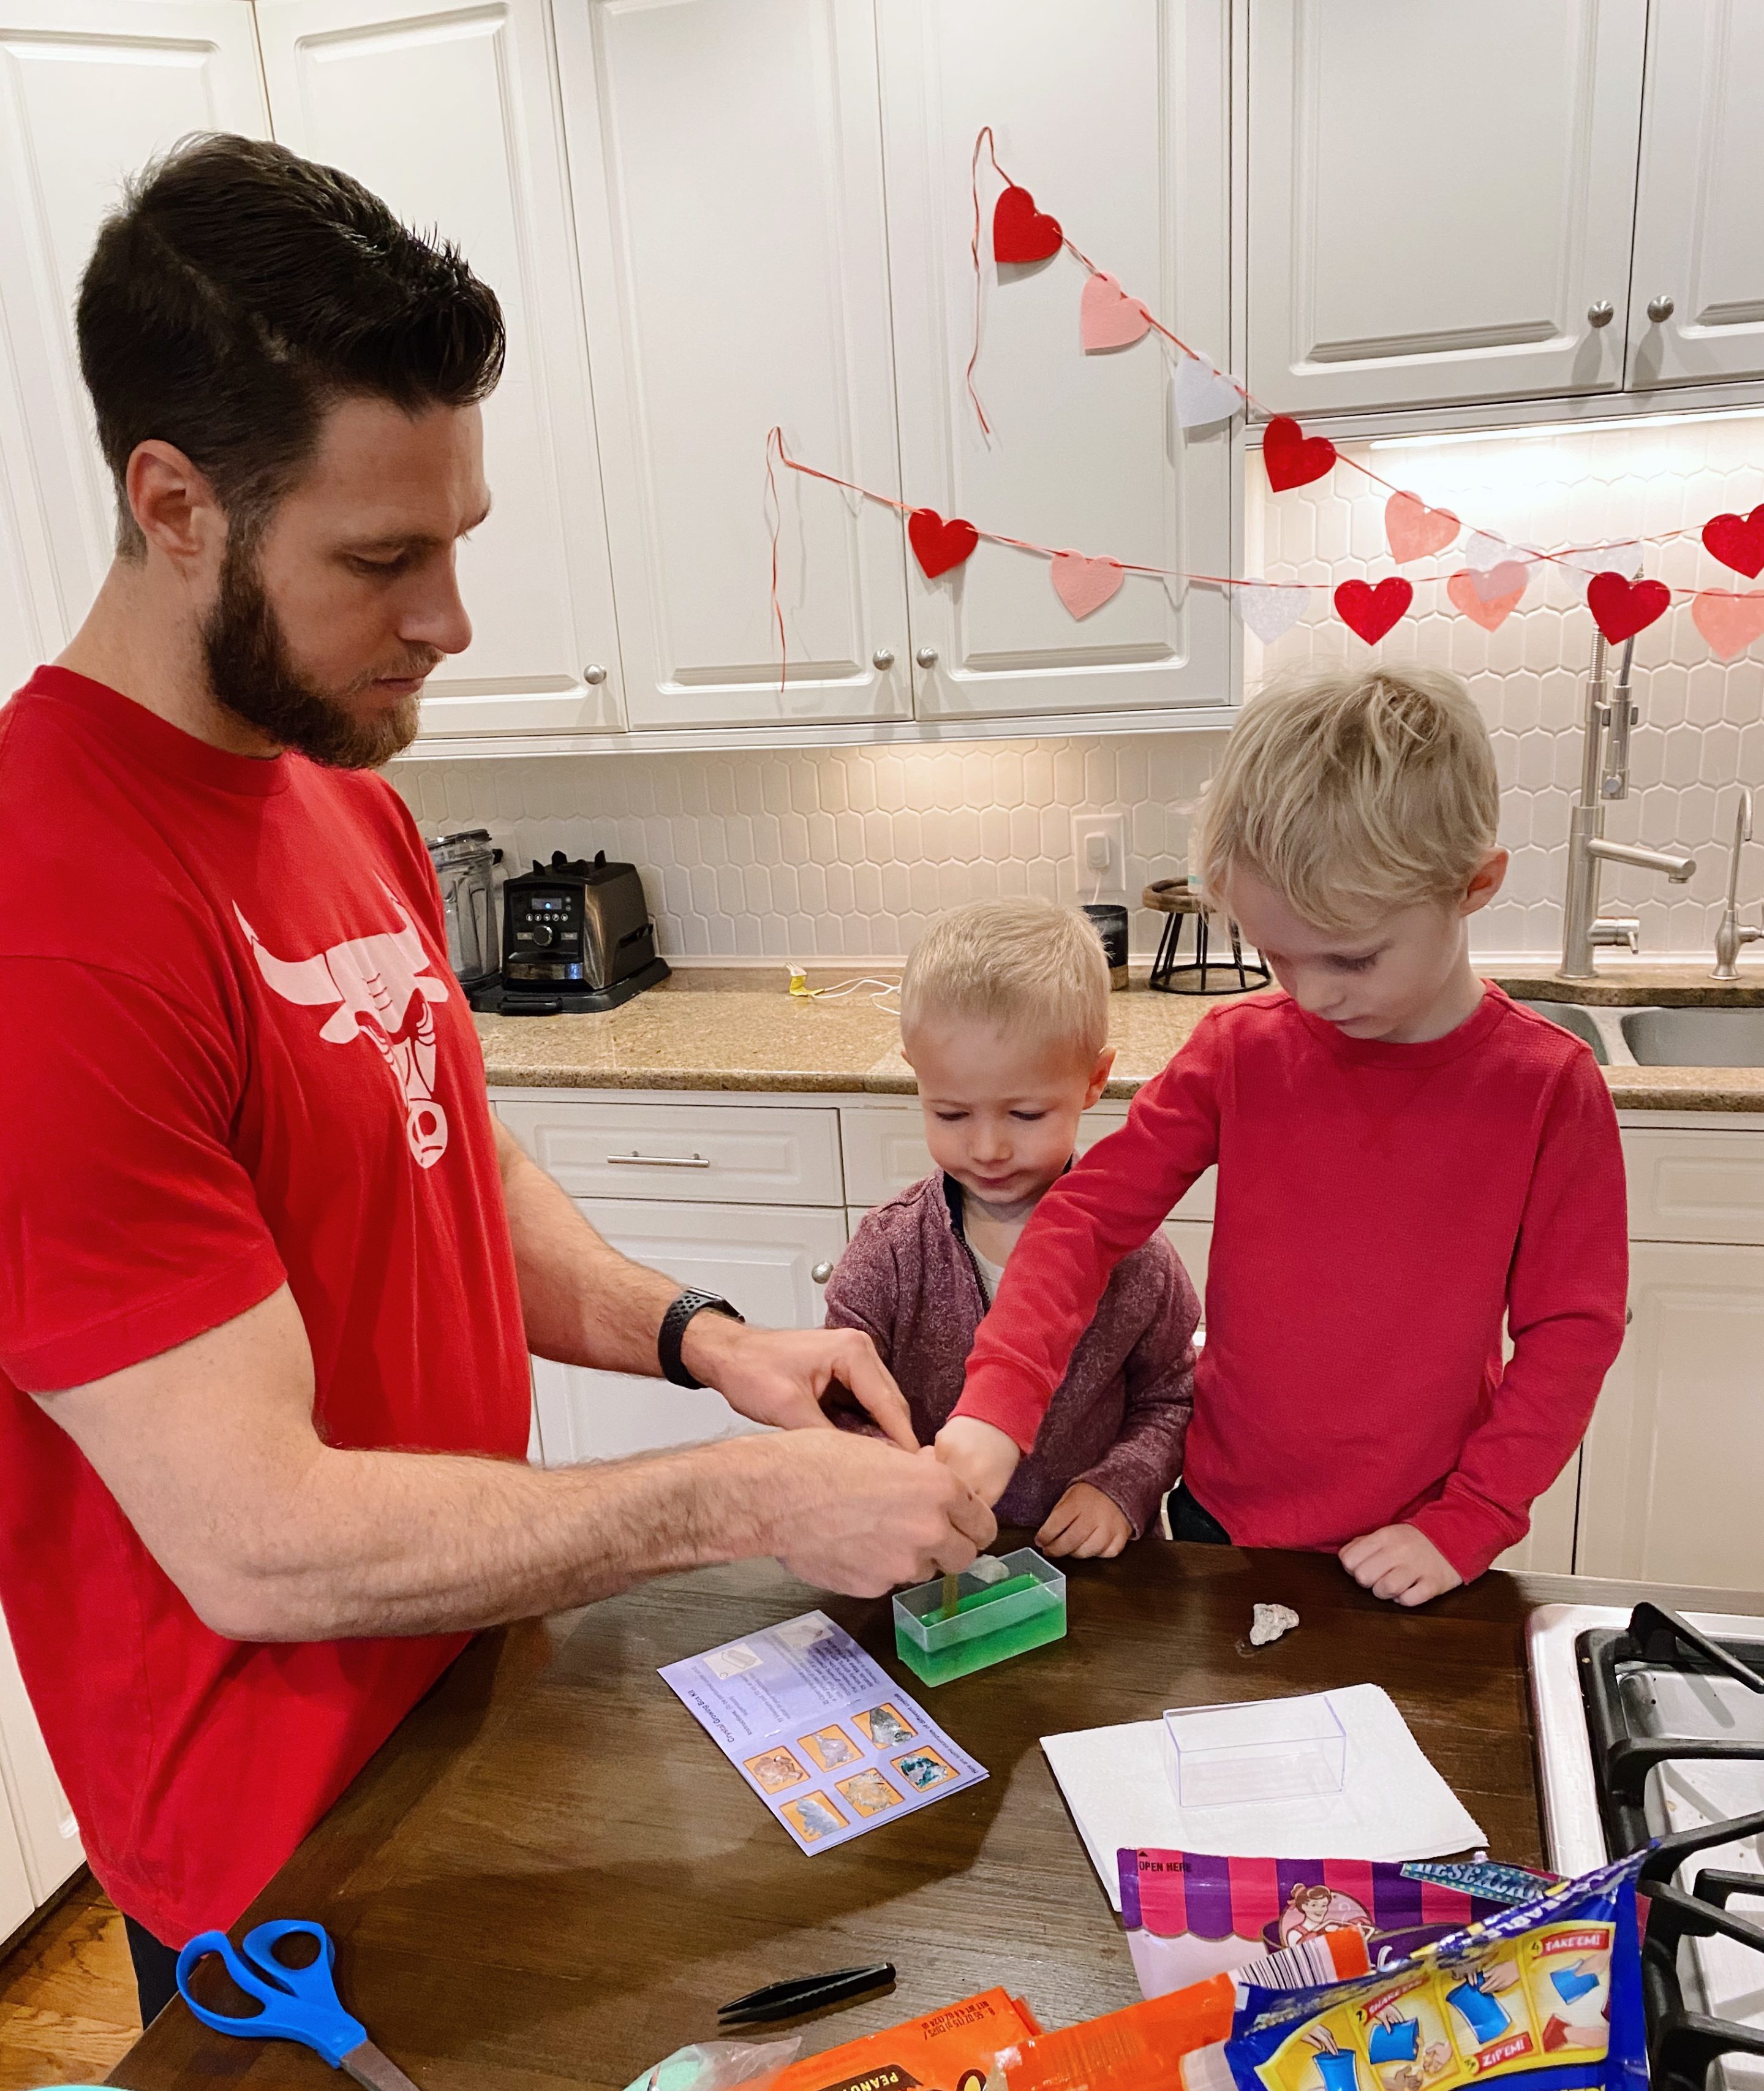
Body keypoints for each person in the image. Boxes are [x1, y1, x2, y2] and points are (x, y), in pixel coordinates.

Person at [0, 135, 992, 2024]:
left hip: (465, 1694)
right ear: (176, 503)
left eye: (456, 538)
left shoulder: (337, 787)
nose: (451, 618)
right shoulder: (47, 920)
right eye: (385, 558)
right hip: (280, 1857)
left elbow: (457, 1162)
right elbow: (257, 1539)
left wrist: (701, 1338)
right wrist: (745, 1499)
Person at [937, 665, 1627, 1605]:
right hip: (1222, 1517)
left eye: (1353, 957)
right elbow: (1083, 1220)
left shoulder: (1547, 1088)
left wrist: (1472, 1517)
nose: (1314, 994)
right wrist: (999, 1401)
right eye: (1278, 955)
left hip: (1426, 1536)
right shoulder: (1240, 1050)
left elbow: (1571, 1335)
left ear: (1476, 886)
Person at [826, 900, 1200, 1558]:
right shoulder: (888, 1253)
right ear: (918, 1076)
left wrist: (1120, 1487)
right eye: (951, 1113)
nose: (989, 1148)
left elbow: (1172, 1398)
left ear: (1094, 1080)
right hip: (931, 1565)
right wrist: (895, 1481)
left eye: (1026, 1114)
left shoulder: (1139, 1257)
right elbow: (838, 1408)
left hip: (1089, 1571)